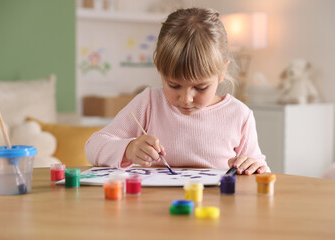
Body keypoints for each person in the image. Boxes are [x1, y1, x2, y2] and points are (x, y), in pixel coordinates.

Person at [85, 8, 269, 175]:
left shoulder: (239, 115)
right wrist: (128, 149)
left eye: (200, 87)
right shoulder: (149, 102)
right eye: (174, 85)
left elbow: (259, 170)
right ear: (159, 69)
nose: (186, 98)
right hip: (151, 208)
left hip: (213, 209)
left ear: (222, 72)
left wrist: (253, 166)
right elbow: (93, 147)